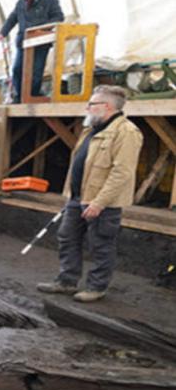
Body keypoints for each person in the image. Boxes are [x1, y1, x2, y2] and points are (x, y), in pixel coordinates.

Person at [36, 86, 142, 303]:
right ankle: (67, 281)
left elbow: (122, 172)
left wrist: (99, 202)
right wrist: (71, 195)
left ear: (107, 107)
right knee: (67, 237)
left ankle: (96, 287)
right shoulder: (91, 129)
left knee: (101, 244)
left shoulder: (127, 133)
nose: (87, 108)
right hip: (78, 198)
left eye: (91, 104)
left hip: (102, 202)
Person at [0, 0, 64, 103]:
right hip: (23, 41)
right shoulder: (21, 3)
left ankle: (33, 95)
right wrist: (2, 33)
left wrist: (42, 28)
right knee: (17, 69)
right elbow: (12, 18)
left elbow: (59, 17)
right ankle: (19, 95)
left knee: (36, 70)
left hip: (41, 40)